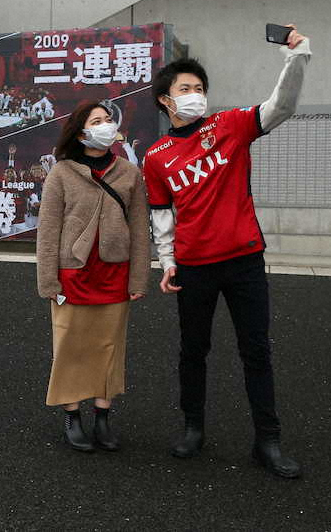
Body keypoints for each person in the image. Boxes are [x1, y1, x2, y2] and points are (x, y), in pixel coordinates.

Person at [142, 25, 311, 479]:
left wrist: (297, 57)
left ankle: (268, 441)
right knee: (192, 351)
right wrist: (167, 262)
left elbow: (283, 107)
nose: (195, 94)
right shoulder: (156, 156)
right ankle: (193, 428)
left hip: (244, 261)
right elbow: (162, 214)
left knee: (256, 351)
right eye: (185, 89)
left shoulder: (230, 124)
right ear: (165, 99)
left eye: (200, 88)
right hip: (194, 267)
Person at [36, 101, 150, 452]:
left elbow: (139, 230)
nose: (105, 125)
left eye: (108, 120)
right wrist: (48, 281)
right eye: (96, 121)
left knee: (109, 347)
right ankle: (72, 415)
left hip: (115, 273)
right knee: (70, 345)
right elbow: (48, 230)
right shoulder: (62, 173)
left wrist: (139, 279)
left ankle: (103, 416)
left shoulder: (129, 173)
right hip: (73, 273)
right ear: (82, 132)